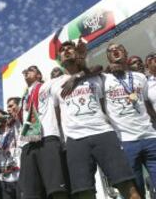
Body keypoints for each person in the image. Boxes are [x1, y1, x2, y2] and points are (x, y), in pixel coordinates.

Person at [52, 41, 140, 199]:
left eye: (69, 48)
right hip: (75, 140)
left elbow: (99, 67)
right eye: (62, 50)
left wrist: (78, 74)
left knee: (127, 186)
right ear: (59, 57)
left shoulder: (97, 77)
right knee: (84, 193)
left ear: (77, 53)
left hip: (103, 133)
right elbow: (57, 115)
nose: (66, 51)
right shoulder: (54, 84)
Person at [102, 43, 156, 197]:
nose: (115, 51)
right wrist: (106, 69)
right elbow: (86, 73)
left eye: (118, 48)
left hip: (151, 137)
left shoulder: (140, 77)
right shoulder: (103, 79)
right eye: (110, 50)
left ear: (125, 52)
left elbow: (147, 104)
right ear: (108, 57)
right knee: (136, 192)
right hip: (126, 141)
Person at [18, 65, 69, 199]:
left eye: (31, 70)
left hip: (47, 138)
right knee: (30, 193)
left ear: (39, 76)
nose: (27, 72)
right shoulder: (23, 98)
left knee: (56, 188)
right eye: (26, 70)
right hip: (28, 144)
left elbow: (67, 78)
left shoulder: (47, 86)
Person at [0, 108, 22, 199]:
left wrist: (6, 117)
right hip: (3, 178)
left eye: (0, 119)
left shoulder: (14, 127)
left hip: (19, 175)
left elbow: (17, 114)